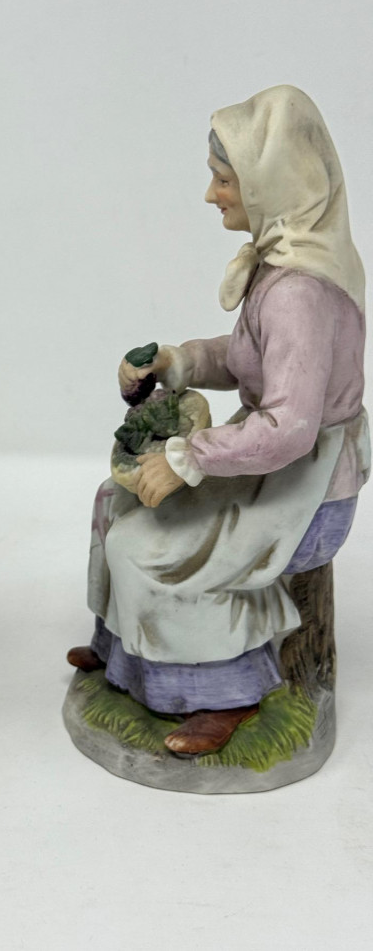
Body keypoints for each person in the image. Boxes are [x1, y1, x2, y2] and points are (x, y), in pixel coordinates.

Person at [68, 85, 368, 756]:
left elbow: (289, 427)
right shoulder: (284, 265)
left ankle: (225, 690)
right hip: (271, 464)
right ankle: (125, 653)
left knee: (151, 548)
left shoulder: (299, 293)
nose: (212, 194)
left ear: (269, 186)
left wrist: (189, 458)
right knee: (116, 500)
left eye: (224, 179)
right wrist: (176, 362)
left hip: (306, 487)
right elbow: (247, 357)